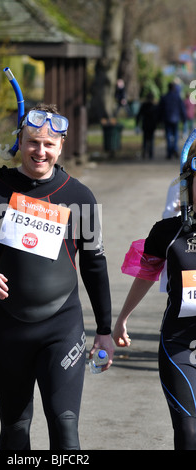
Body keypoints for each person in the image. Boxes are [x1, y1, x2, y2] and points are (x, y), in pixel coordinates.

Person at [0, 103, 114, 450]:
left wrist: (104, 330)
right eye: (32, 142)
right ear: (20, 141)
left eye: (48, 144)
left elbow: (94, 265)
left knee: (65, 426)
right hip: (7, 329)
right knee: (15, 429)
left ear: (60, 146)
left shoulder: (80, 197)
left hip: (62, 327)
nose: (40, 151)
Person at [113, 143, 196, 450]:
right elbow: (146, 275)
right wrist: (122, 319)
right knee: (189, 434)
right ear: (188, 186)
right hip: (179, 347)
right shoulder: (167, 232)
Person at [157, 82, 186, 159]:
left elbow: (160, 109)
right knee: (175, 134)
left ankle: (169, 151)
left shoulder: (164, 97)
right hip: (175, 118)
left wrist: (159, 119)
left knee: (168, 135)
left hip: (167, 119)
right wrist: (184, 118)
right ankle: (175, 149)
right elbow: (182, 108)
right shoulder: (177, 97)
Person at [136, 92, 157, 159]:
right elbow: (157, 116)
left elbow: (139, 115)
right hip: (152, 125)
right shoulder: (154, 106)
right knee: (151, 139)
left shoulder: (144, 106)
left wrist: (137, 124)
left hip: (145, 124)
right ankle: (150, 153)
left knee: (145, 139)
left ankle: (144, 152)